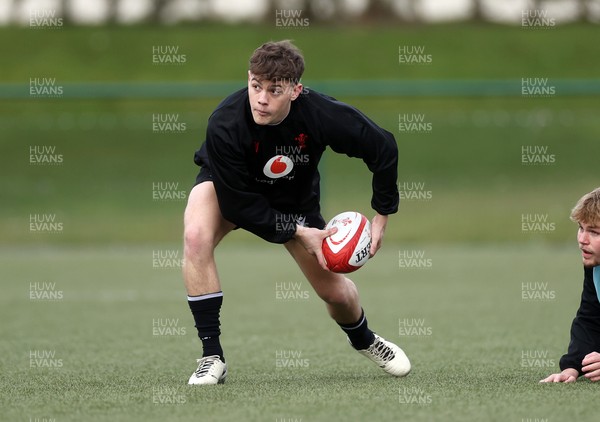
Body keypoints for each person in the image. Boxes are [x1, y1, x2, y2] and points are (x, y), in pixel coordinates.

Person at [183, 40, 410, 385]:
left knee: (335, 293)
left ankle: (365, 339)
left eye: (274, 90)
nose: (261, 98)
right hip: (232, 189)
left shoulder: (319, 114)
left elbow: (382, 146)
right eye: (256, 86)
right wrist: (296, 231)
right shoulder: (225, 123)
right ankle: (212, 355)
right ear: (248, 79)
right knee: (196, 236)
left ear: (295, 90)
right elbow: (238, 206)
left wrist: (382, 213)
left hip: (294, 201)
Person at [541, 187, 600, 383]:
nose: (582, 240)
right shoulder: (594, 265)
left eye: (594, 232)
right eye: (581, 228)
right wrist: (571, 367)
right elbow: (590, 319)